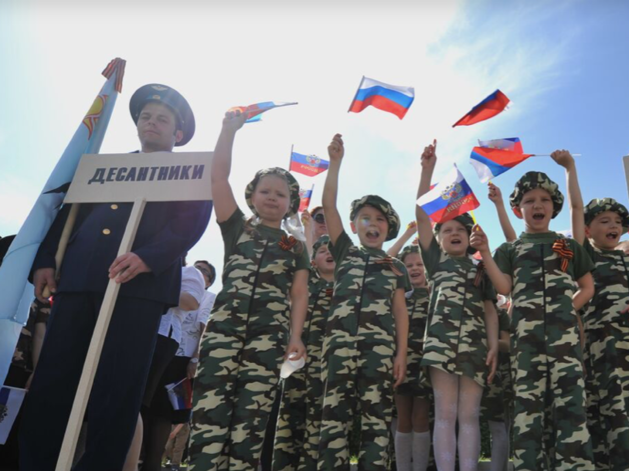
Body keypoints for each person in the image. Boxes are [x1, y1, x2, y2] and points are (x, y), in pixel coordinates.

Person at [20, 84, 213, 471]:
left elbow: (189, 223)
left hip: (137, 291)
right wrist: (46, 258)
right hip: (79, 282)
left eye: (161, 118)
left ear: (177, 133)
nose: (151, 123)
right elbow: (68, 214)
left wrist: (147, 257)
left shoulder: (190, 171)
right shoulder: (101, 168)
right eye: (145, 116)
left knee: (117, 391)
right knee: (53, 382)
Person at [189, 109, 309, 471]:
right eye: (266, 191)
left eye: (282, 194)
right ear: (252, 196)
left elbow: (299, 294)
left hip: (268, 337)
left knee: (251, 422)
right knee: (209, 420)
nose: (273, 197)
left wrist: (296, 337)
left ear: (291, 203)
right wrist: (228, 130)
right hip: (224, 331)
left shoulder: (296, 246)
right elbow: (218, 177)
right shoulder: (236, 227)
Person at [471, 152, 595, 471]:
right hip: (526, 347)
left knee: (571, 409)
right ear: (518, 208)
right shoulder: (511, 249)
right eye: (529, 200)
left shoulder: (567, 247)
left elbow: (587, 287)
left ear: (554, 206)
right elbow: (502, 287)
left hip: (565, 344)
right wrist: (485, 252)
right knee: (528, 414)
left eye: (543, 199)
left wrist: (566, 309)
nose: (537, 205)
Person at [317, 133, 410, 471]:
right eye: (366, 219)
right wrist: (335, 164)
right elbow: (329, 206)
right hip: (339, 346)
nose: (373, 224)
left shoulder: (396, 266)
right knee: (333, 425)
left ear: (388, 231)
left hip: (380, 351)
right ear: (355, 226)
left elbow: (401, 313)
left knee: (376, 425)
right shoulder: (344, 252)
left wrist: (401, 354)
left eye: (381, 220)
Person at [415, 140, 498, 471]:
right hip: (440, 346)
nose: (453, 233)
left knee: (469, 416)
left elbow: (491, 309)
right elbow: (422, 216)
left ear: (470, 236)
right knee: (445, 414)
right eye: (446, 229)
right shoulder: (435, 262)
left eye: (460, 229)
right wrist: (426, 171)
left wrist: (493, 347)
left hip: (476, 348)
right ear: (437, 240)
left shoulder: (482, 268)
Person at [572, 197, 629, 471]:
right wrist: (570, 168)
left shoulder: (626, 257)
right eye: (604, 220)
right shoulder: (587, 258)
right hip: (601, 356)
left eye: (618, 222)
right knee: (607, 418)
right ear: (586, 230)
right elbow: (575, 211)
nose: (613, 225)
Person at [272, 235, 335, 471]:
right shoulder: (303, 286)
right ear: (313, 261)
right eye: (322, 251)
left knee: (320, 420)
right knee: (289, 417)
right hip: (298, 364)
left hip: (327, 367)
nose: (328, 253)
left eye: (333, 250)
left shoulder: (348, 289)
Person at [140, 261, 205, 471]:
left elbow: (196, 309)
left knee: (162, 410)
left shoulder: (190, 276)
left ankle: (152, 463)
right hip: (139, 335)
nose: (201, 271)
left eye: (206, 270)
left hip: (174, 352)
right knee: (141, 406)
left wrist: (195, 359)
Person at [390, 243, 432, 471]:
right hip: (402, 364)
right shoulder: (399, 298)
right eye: (409, 265)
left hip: (425, 367)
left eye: (419, 264)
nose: (414, 269)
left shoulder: (436, 295)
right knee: (403, 418)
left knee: (421, 418)